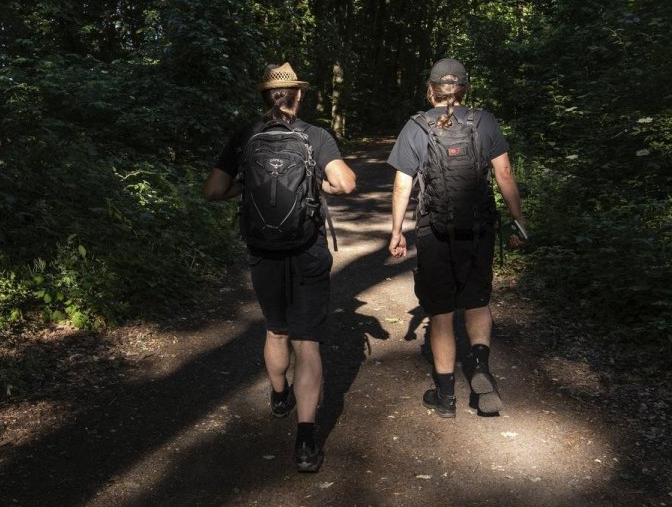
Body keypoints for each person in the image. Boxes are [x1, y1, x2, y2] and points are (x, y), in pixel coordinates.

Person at [204, 62, 356, 471]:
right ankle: (306, 441)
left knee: (276, 329)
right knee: (307, 342)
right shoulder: (315, 136)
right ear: (298, 95)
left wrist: (247, 185)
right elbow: (346, 183)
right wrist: (316, 182)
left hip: (262, 249)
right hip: (307, 248)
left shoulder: (245, 136)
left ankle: (278, 396)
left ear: (264, 97)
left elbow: (213, 190)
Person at [387, 58, 526, 418]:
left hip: (434, 230)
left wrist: (396, 231)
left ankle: (445, 395)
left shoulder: (416, 126)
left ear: (430, 89)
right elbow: (504, 174)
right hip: (479, 226)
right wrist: (519, 220)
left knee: (441, 312)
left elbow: (403, 184)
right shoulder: (484, 121)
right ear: (465, 88)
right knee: (477, 302)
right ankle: (480, 368)